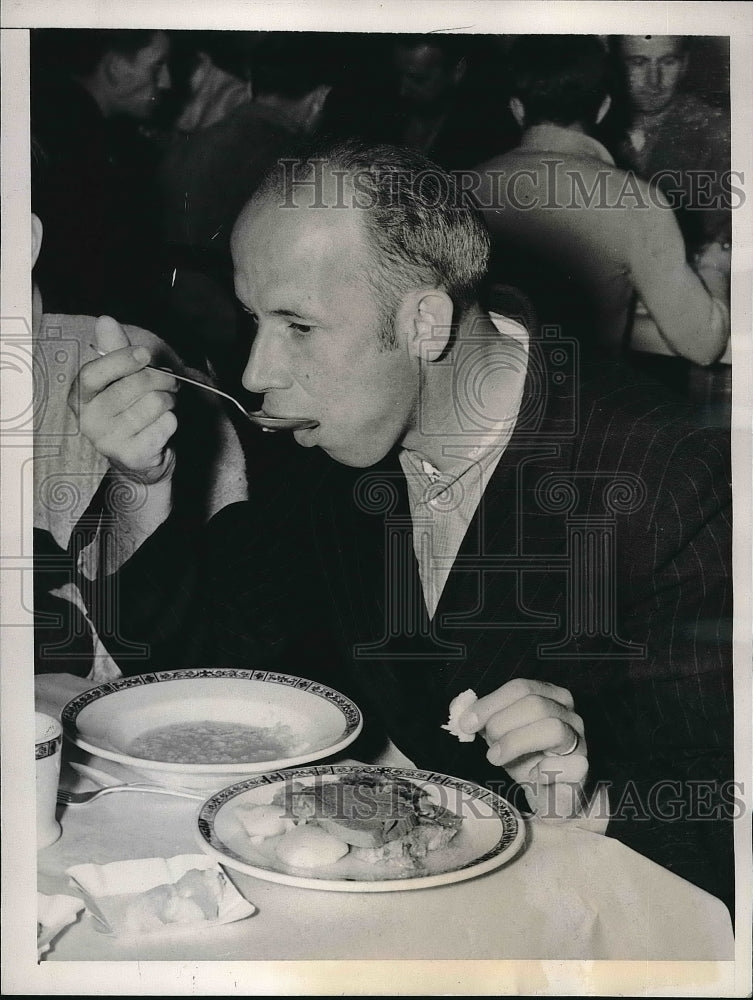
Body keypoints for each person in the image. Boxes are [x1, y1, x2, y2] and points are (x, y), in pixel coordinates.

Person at [71, 140, 733, 910]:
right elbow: (208, 673)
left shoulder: (670, 476)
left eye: (298, 326)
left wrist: (589, 800)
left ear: (425, 321)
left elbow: (722, 819)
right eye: (256, 318)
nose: (255, 373)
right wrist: (139, 480)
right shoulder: (335, 434)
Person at [472, 35, 729, 365]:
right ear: (604, 107)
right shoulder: (636, 201)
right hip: (582, 409)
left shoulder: (457, 189)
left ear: (517, 109)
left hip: (479, 402)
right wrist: (714, 267)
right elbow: (703, 346)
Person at [31, 29, 174, 329]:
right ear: (114, 67)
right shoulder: (76, 142)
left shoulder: (62, 117)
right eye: (157, 65)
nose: (166, 82)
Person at [605, 34, 732, 255]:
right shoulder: (594, 127)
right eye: (638, 63)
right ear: (614, 64)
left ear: (685, 64)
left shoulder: (718, 132)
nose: (653, 80)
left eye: (668, 62)